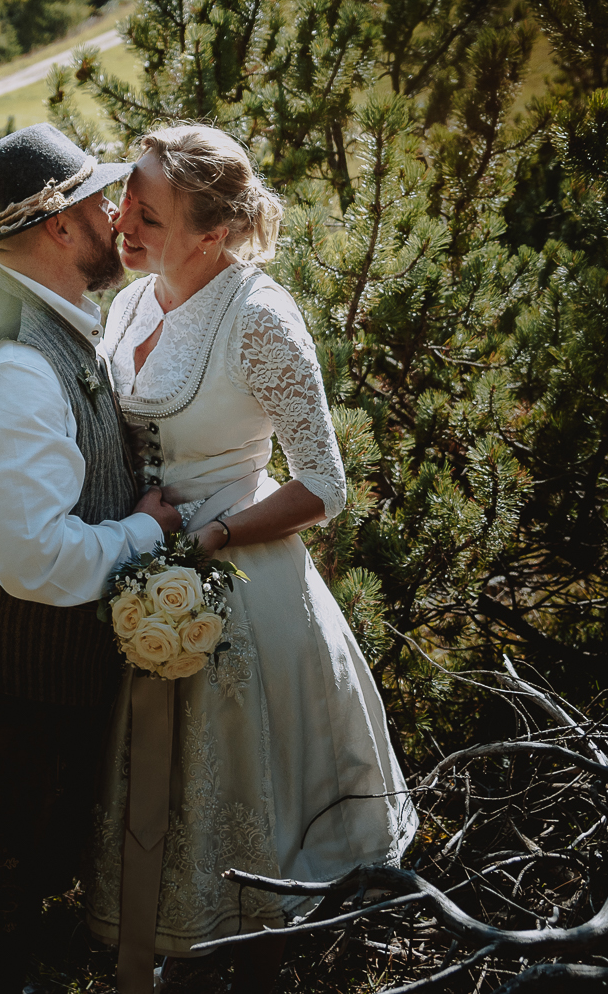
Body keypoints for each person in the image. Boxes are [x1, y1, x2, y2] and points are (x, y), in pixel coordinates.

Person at [89, 124, 416, 991]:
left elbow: (324, 486)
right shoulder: (131, 303)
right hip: (138, 579)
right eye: (127, 197)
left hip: (242, 592)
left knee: (247, 833)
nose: (122, 222)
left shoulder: (261, 318)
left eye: (148, 214)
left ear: (215, 233)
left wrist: (211, 539)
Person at [0, 122, 183, 994]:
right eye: (101, 201)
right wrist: (145, 532)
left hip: (32, 682)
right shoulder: (11, 366)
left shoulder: (62, 327)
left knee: (15, 906)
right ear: (60, 226)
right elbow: (36, 561)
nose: (119, 213)